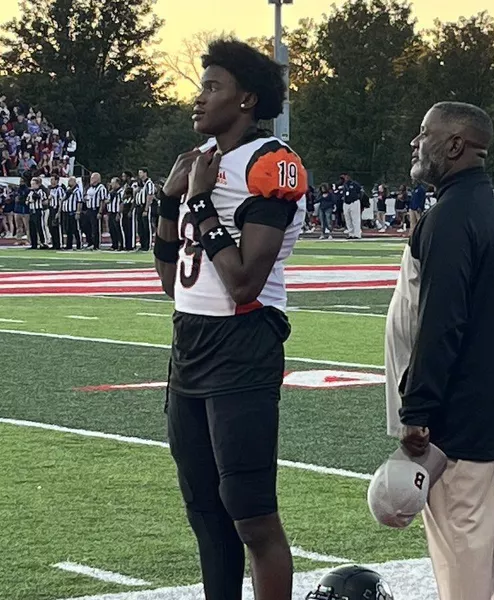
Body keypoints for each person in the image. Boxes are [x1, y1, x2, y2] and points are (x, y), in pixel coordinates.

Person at [152, 39, 307, 600]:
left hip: (243, 341)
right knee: (204, 510)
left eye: (211, 87)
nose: (198, 99)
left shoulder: (274, 163)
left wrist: (198, 204)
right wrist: (169, 204)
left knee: (251, 514)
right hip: (189, 343)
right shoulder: (202, 164)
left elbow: (243, 282)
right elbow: (172, 282)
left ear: (245, 99)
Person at [385, 101, 494, 600]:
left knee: (461, 553)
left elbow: (441, 323)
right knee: (492, 556)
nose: (415, 145)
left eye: (424, 134)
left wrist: (419, 409)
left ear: (455, 145)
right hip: (489, 405)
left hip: (456, 416)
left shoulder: (449, 217)